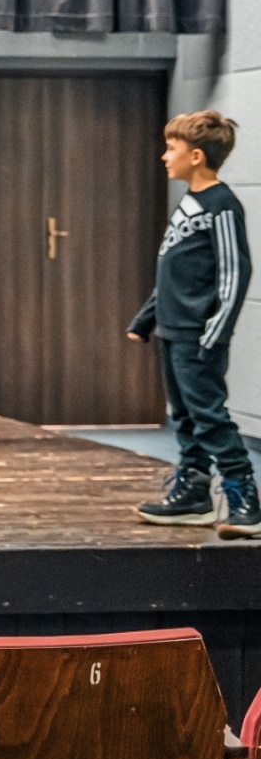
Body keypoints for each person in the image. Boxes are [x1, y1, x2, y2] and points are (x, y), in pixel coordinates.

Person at [129, 110, 254, 534]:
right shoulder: (189, 204)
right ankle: (195, 494)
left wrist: (215, 333)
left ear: (196, 156)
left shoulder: (221, 205)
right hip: (172, 330)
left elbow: (236, 272)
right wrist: (147, 317)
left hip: (199, 336)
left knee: (209, 416)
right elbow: (173, 269)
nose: (165, 156)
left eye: (172, 149)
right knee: (183, 416)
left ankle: (245, 498)